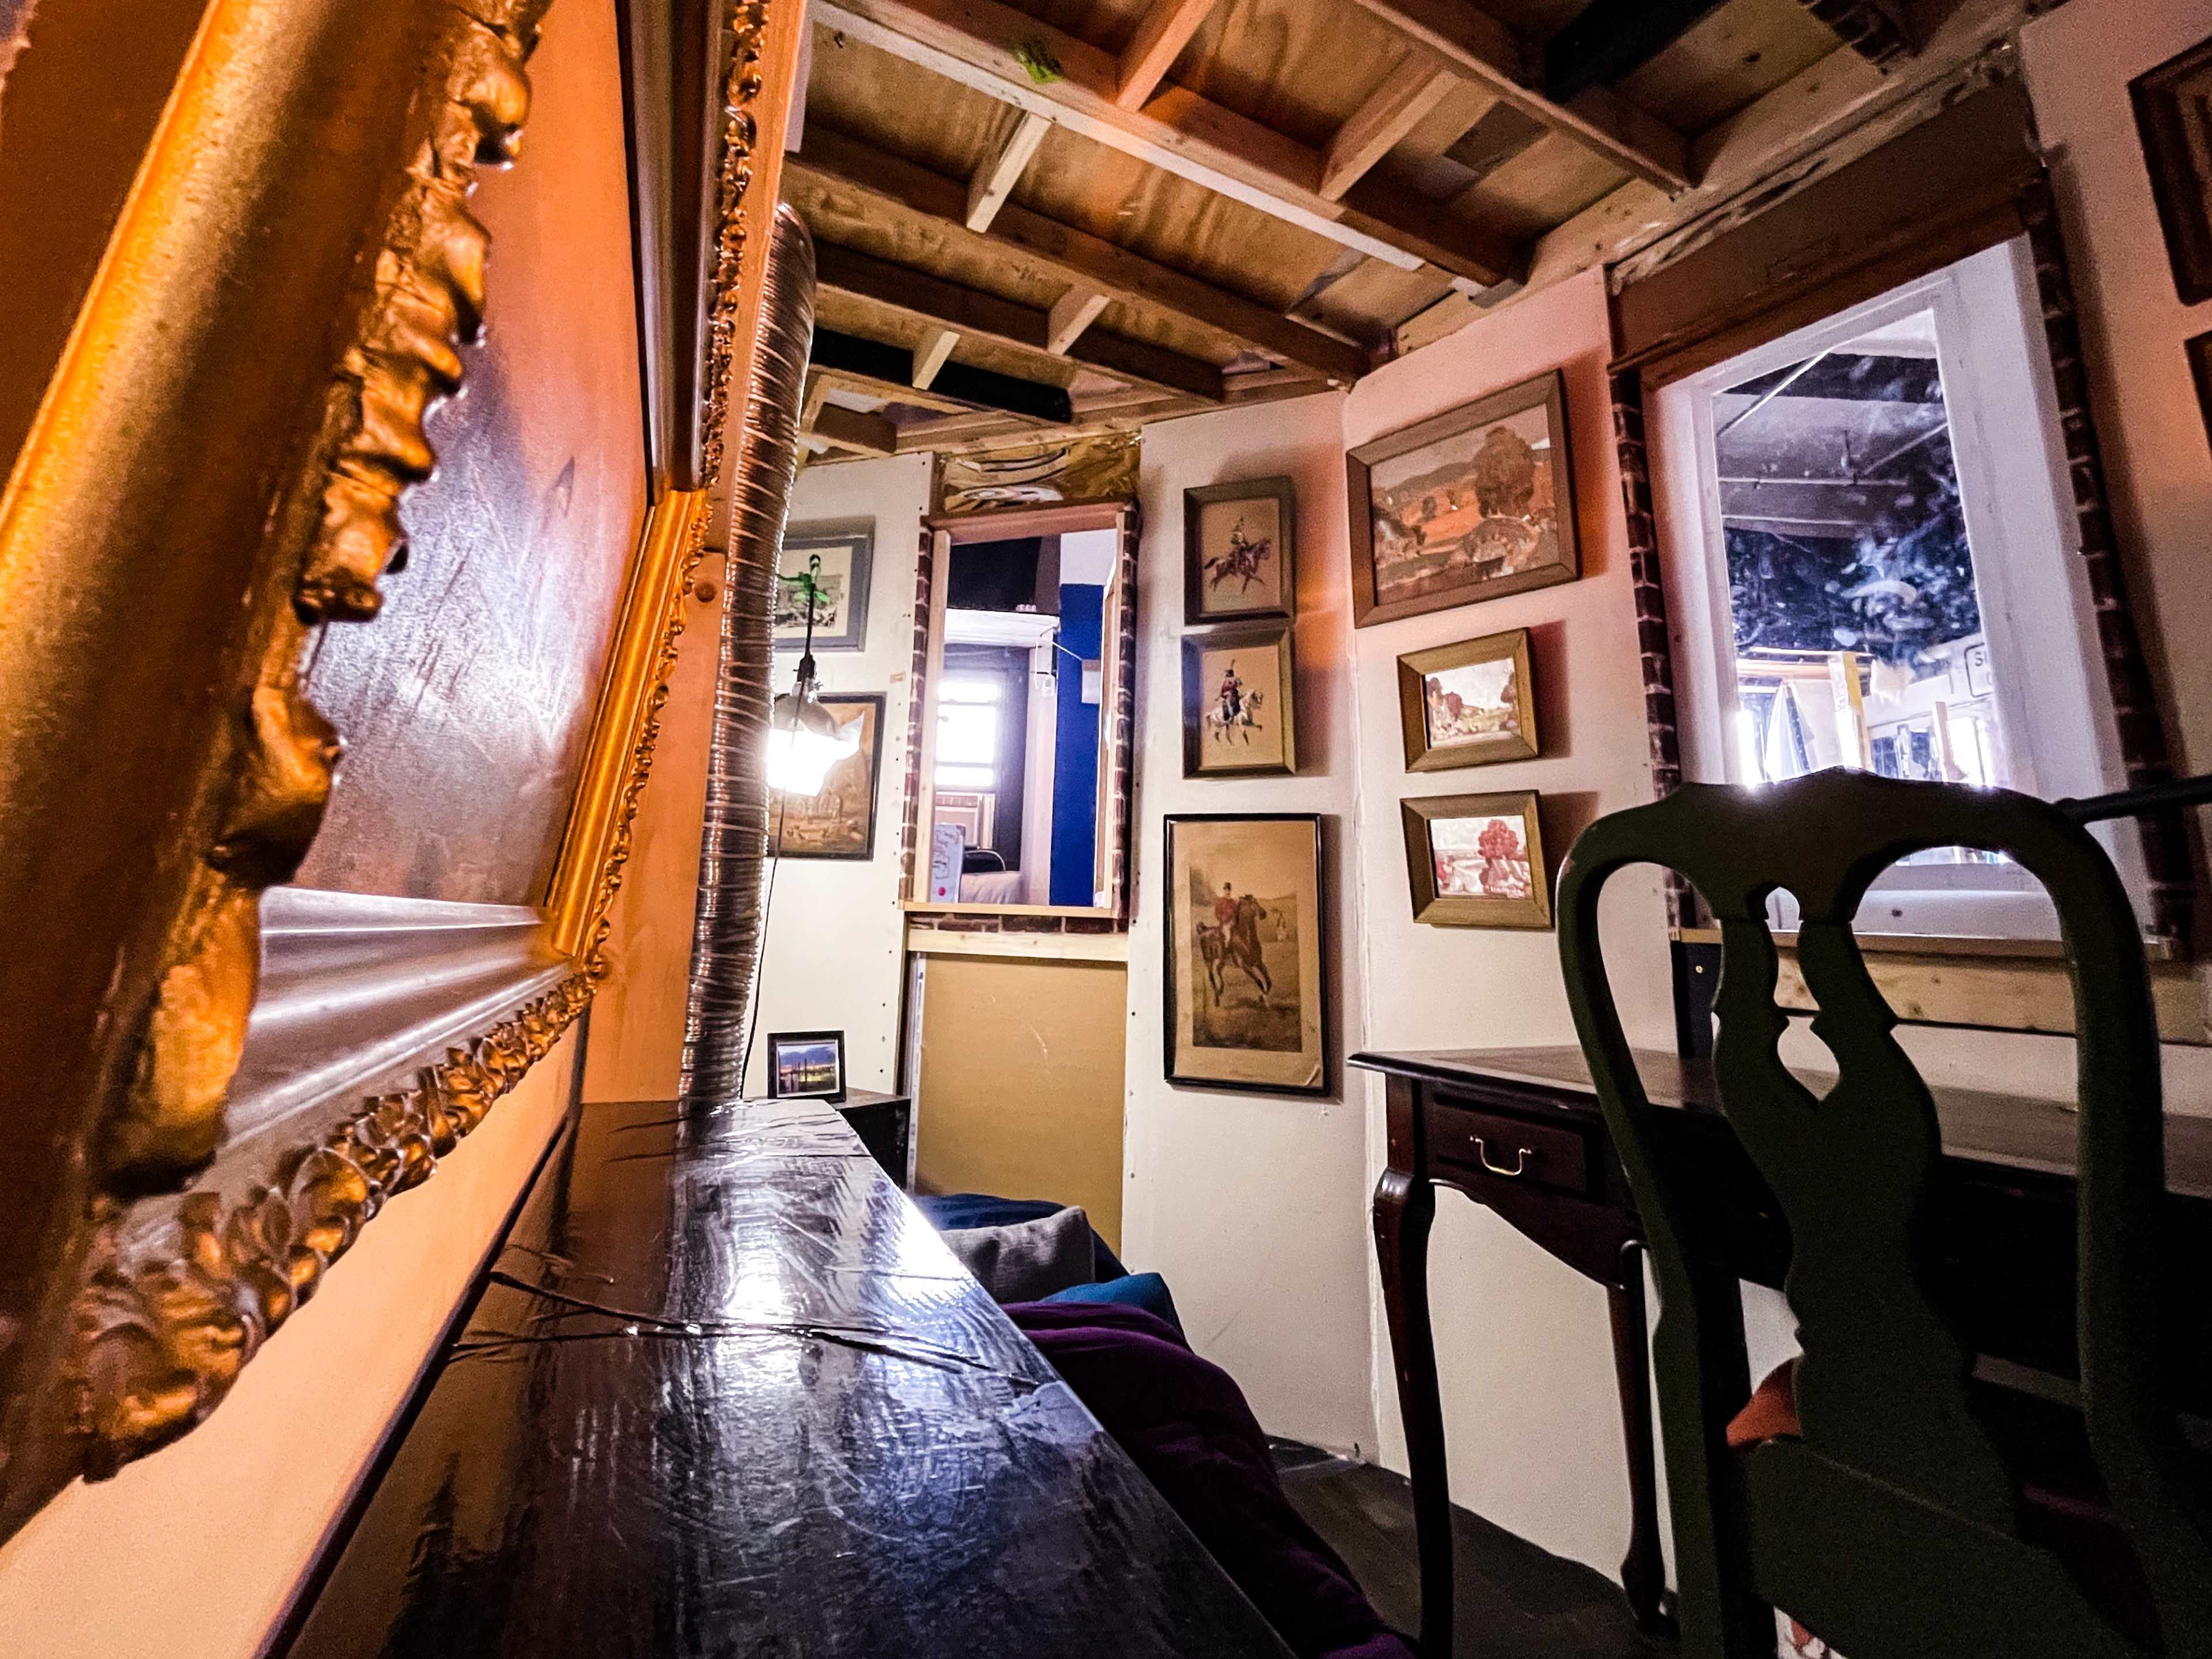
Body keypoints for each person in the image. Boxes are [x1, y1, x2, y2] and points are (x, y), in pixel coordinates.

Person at [1218, 661, 1244, 726]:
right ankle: (1231, 716)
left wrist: (1232, 664)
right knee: (1229, 699)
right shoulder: (1227, 681)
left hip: (1233, 692)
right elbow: (1224, 690)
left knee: (1240, 697)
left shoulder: (1233, 679)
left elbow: (1231, 669)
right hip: (1227, 693)